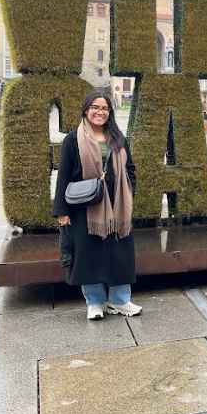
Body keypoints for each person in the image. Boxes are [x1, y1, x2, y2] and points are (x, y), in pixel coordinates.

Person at [53, 91, 141, 321]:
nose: (100, 112)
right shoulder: (73, 139)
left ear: (110, 112)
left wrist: (129, 192)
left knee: (120, 255)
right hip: (86, 206)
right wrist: (61, 211)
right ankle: (94, 302)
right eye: (95, 107)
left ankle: (120, 300)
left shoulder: (117, 137)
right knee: (89, 255)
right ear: (85, 110)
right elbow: (63, 177)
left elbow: (130, 168)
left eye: (104, 108)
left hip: (117, 206)